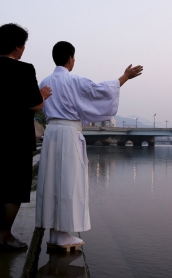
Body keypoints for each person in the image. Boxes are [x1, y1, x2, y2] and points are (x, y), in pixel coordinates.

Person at [35, 41, 142, 249]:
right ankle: (64, 234)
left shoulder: (44, 81)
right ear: (70, 58)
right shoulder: (74, 80)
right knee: (69, 182)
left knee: (51, 181)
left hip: (51, 132)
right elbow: (100, 91)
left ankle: (54, 232)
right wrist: (125, 77)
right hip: (68, 132)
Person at [0, 23, 52, 249]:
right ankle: (5, 234)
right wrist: (42, 95)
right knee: (14, 186)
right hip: (16, 135)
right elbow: (35, 105)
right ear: (18, 47)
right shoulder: (24, 69)